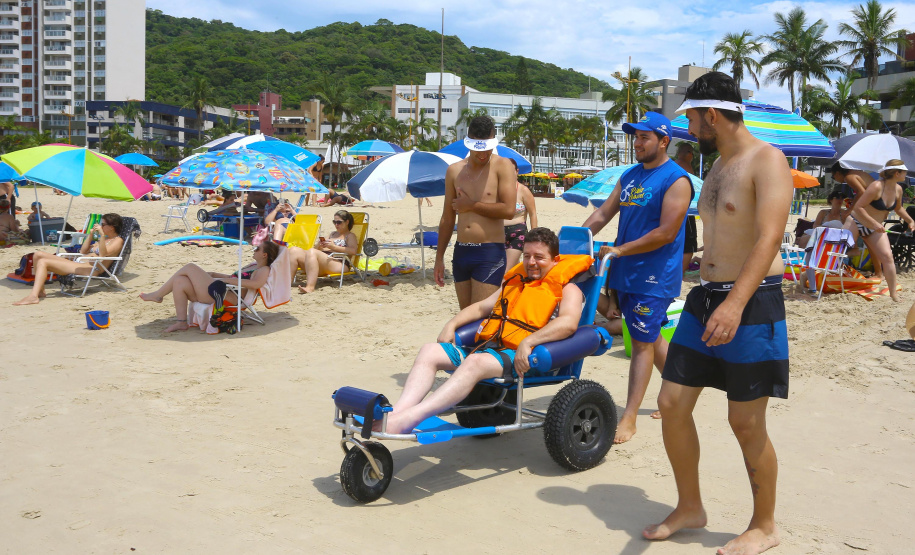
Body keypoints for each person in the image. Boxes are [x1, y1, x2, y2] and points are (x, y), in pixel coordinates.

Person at [643, 71, 793, 555]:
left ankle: (764, 526)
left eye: (690, 117)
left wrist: (734, 303)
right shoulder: (717, 167)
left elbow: (769, 237)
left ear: (711, 114)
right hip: (704, 298)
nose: (687, 126)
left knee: (745, 422)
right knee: (671, 404)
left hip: (750, 302)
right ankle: (691, 507)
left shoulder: (767, 160)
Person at [378, 227, 589, 434]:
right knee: (429, 351)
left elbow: (568, 323)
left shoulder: (568, 289)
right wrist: (451, 324)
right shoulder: (517, 283)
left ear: (555, 260)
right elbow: (481, 307)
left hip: (529, 358)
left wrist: (529, 342)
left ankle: (411, 418)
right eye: (527, 256)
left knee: (475, 362)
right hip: (492, 350)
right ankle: (398, 412)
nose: (531, 262)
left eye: (539, 257)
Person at [582, 111, 692, 444]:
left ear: (664, 141)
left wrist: (620, 250)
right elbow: (604, 213)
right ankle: (680, 393)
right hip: (626, 271)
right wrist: (575, 240)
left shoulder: (677, 180)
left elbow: (667, 232)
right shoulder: (630, 175)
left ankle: (629, 417)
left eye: (644, 137)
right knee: (650, 335)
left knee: (642, 342)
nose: (637, 143)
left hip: (655, 276)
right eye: (635, 137)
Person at [435, 115, 516, 309]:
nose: (483, 154)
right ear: (468, 142)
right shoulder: (454, 171)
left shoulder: (502, 166)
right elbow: (447, 218)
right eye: (478, 149)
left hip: (489, 252)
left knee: (480, 316)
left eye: (487, 148)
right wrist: (439, 258)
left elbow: (509, 210)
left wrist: (471, 205)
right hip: (462, 250)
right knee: (464, 315)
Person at [139, 240, 280, 332]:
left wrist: (226, 281)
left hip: (227, 296)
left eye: (257, 248)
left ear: (265, 255)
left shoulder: (264, 269)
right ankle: (181, 322)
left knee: (190, 267)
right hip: (222, 290)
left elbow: (256, 284)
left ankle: (158, 295)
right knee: (180, 281)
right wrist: (214, 274)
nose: (254, 250)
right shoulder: (253, 266)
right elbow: (233, 278)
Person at [842, 159, 915, 302]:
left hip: (874, 228)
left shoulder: (898, 189)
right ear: (896, 173)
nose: (906, 174)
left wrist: (910, 220)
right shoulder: (876, 186)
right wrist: (874, 223)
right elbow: (858, 207)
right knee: (837, 252)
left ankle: (893, 294)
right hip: (856, 222)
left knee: (888, 257)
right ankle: (807, 275)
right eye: (904, 172)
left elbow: (898, 208)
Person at [13, 213, 126, 306]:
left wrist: (101, 235)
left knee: (43, 262)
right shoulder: (104, 240)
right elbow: (83, 251)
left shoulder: (118, 241)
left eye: (103, 224)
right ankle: (41, 291)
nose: (100, 226)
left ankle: (33, 296)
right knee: (38, 254)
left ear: (112, 227)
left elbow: (102, 254)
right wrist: (91, 235)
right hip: (79, 263)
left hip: (91, 268)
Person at [296, 209, 358, 293]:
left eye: (339, 222)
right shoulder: (332, 234)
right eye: (334, 222)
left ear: (347, 222)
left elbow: (353, 251)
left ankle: (310, 287)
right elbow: (315, 249)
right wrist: (319, 245)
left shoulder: (350, 236)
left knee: (311, 251)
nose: (336, 225)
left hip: (339, 263)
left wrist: (334, 247)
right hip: (325, 261)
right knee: (294, 250)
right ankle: (288, 283)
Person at [503, 158, 539, 269]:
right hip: (497, 233)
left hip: (517, 233)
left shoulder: (523, 191)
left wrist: (534, 236)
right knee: (508, 268)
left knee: (506, 270)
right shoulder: (496, 190)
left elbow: (533, 214)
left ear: (517, 171)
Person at [674, 142, 700, 274]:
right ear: (688, 154)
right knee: (689, 243)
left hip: (673, 209)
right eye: (691, 153)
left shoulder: (673, 165)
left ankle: (678, 269)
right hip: (684, 208)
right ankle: (681, 271)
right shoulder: (685, 166)